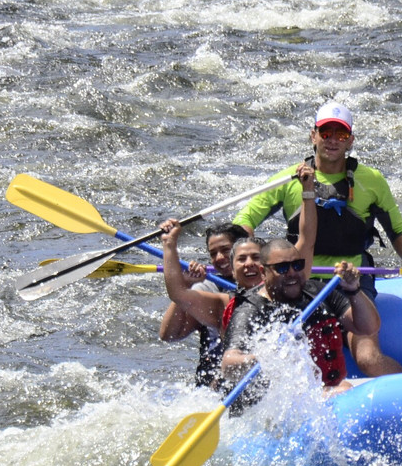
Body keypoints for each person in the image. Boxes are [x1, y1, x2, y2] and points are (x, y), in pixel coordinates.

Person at [231, 101, 402, 377]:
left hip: (351, 277)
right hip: (297, 279)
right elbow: (243, 223)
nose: (332, 140)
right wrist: (250, 261)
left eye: (341, 135)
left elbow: (398, 230)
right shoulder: (287, 180)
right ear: (313, 136)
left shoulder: (372, 181)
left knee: (368, 359)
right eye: (325, 133)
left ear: (350, 141)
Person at [159, 164, 318, 387]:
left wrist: (308, 192)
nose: (249, 264)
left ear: (265, 266)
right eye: (241, 260)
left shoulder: (289, 283)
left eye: (255, 257)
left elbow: (307, 239)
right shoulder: (224, 302)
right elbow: (178, 294)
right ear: (232, 271)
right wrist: (169, 245)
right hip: (234, 389)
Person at [221, 239, 381, 399]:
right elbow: (228, 365)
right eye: (282, 268)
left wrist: (354, 289)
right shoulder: (250, 310)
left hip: (329, 390)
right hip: (283, 402)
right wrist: (267, 358)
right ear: (263, 272)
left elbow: (368, 327)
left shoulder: (318, 292)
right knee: (343, 389)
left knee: (343, 388)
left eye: (297, 265)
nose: (291, 273)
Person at [158, 222, 247, 389]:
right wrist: (186, 285)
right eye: (213, 253)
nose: (219, 258)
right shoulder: (207, 289)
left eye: (225, 250)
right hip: (211, 388)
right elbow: (169, 334)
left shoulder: (270, 289)